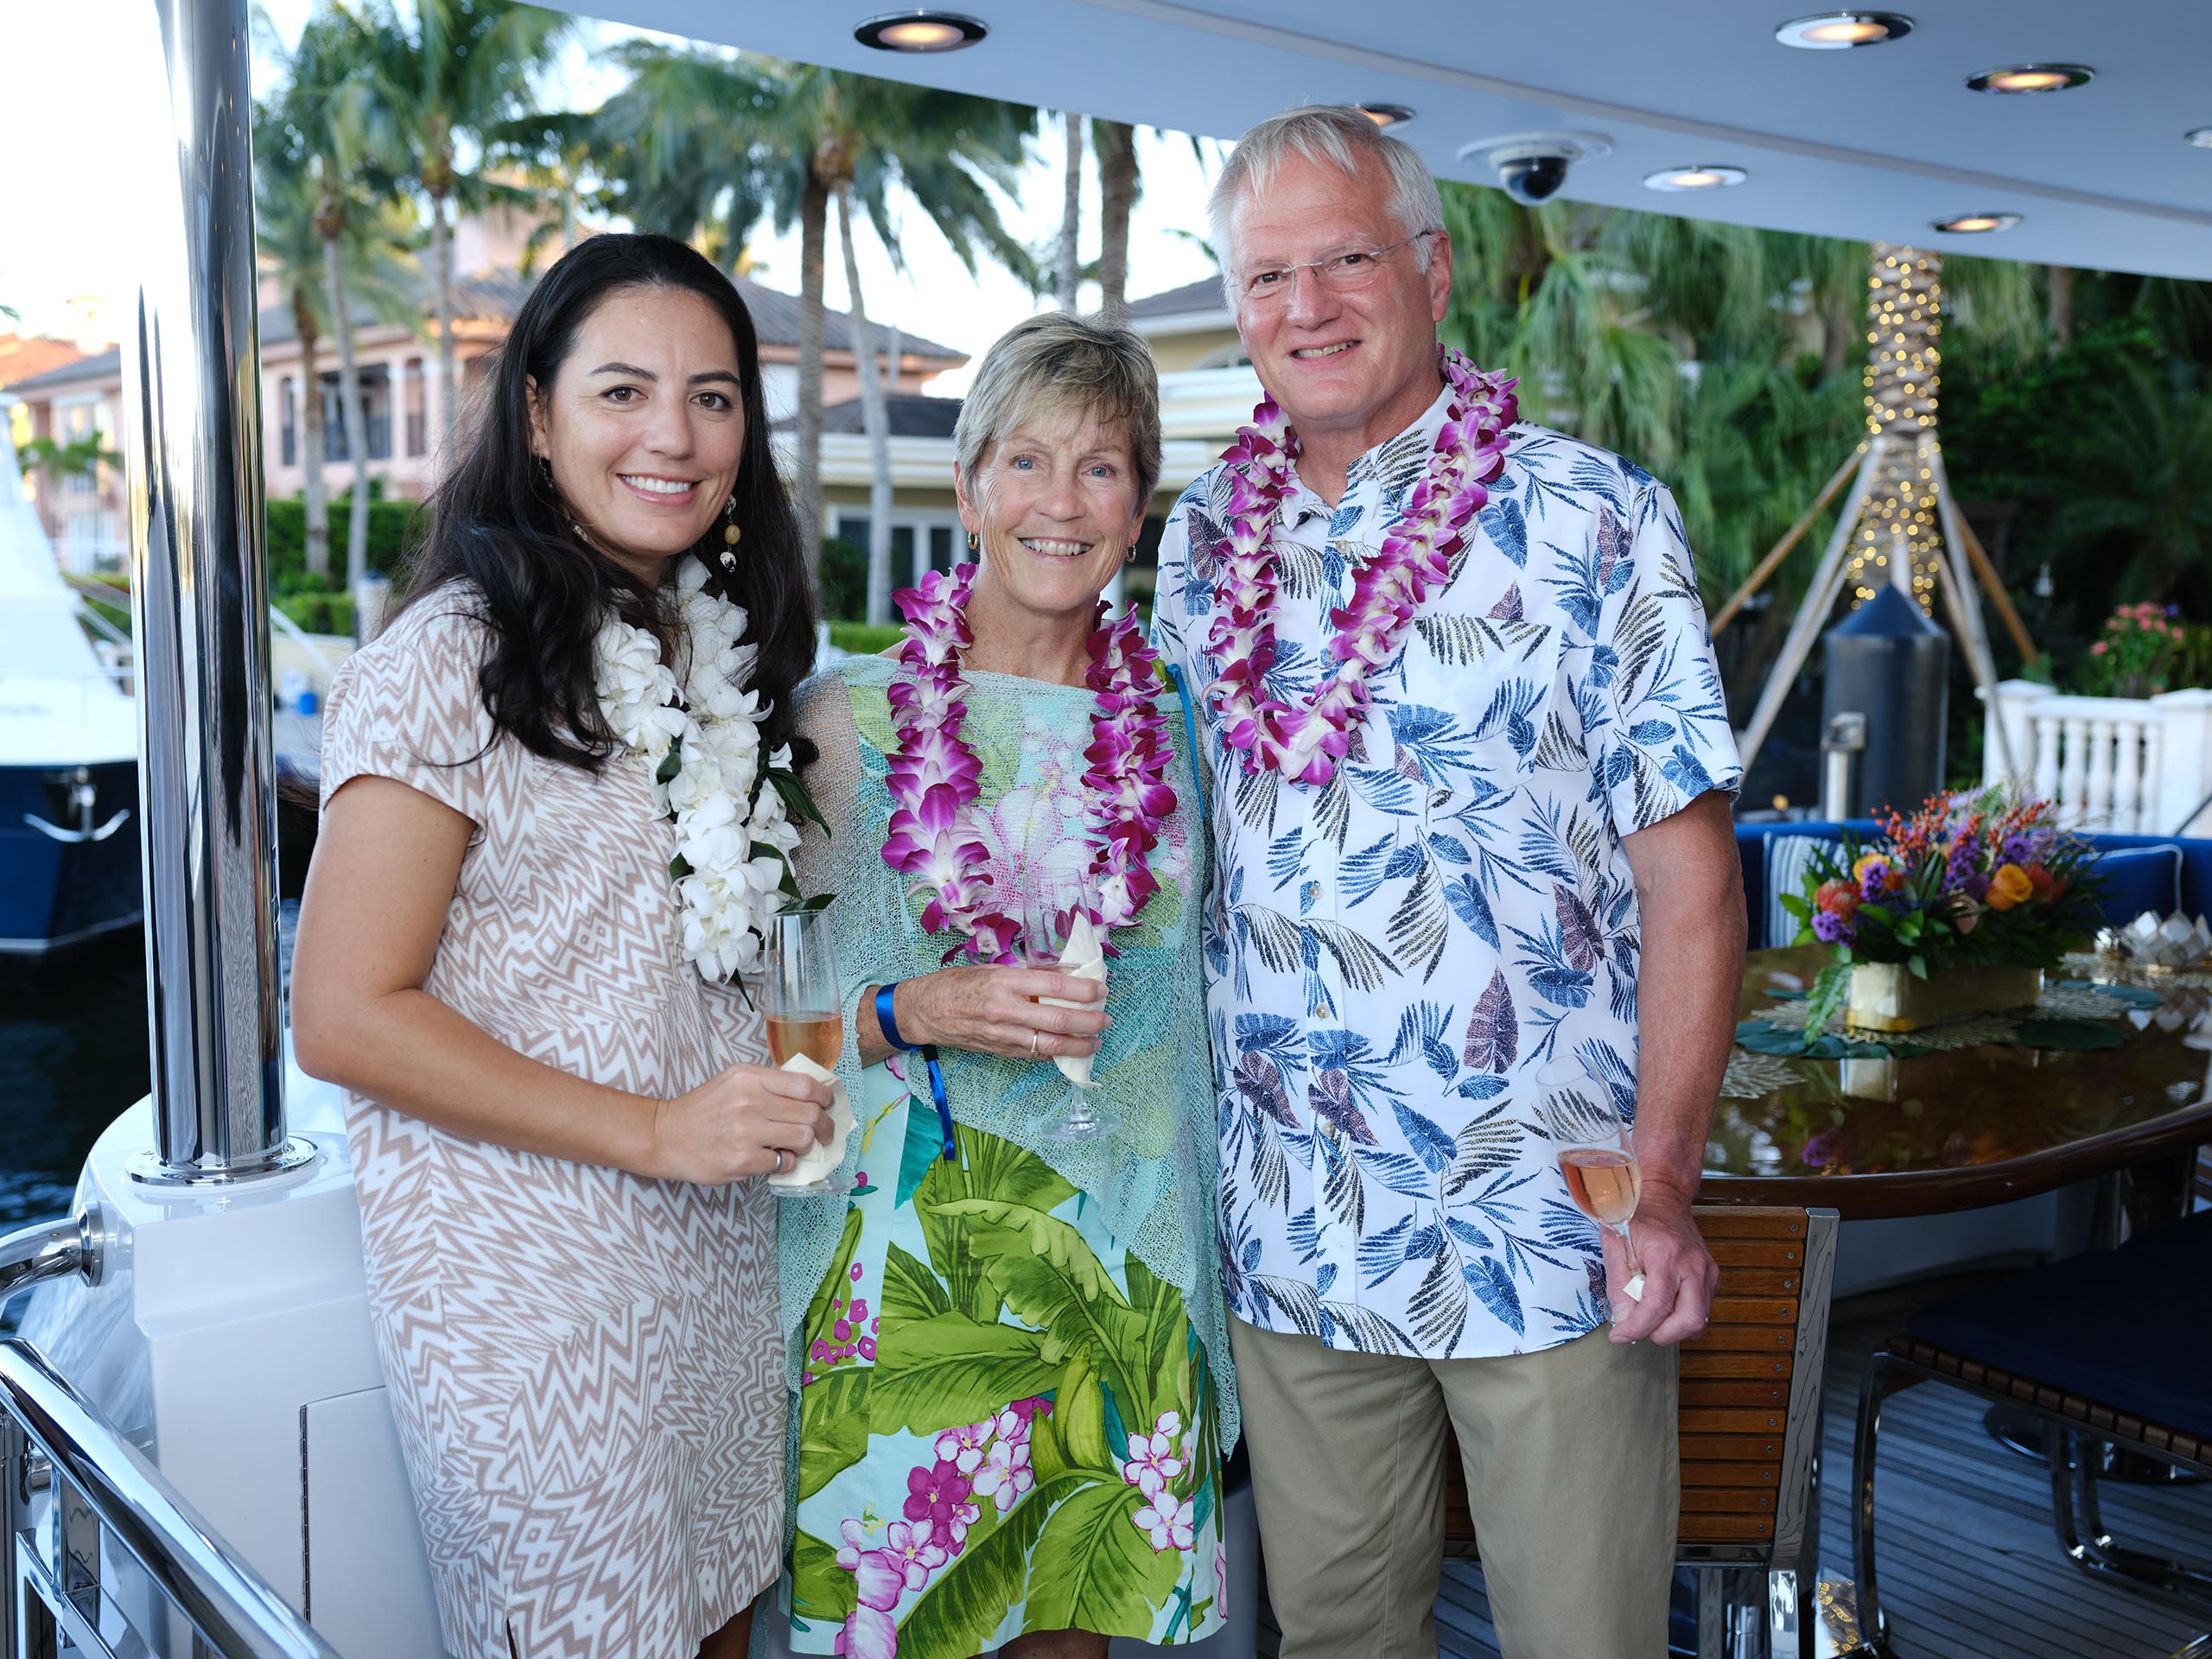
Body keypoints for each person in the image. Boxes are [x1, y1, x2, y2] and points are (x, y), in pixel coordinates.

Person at [1148, 107, 1748, 1658]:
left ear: (1430, 263)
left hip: (1552, 1228)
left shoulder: (1594, 519)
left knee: (1583, 1642)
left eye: (1347, 256)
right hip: (1292, 1224)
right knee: (1340, 1641)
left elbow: (1691, 887)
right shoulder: (1204, 540)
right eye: (1269, 275)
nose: (1310, 306)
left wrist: (1667, 1191)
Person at [291, 232, 833, 1659]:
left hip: (709, 1281)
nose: (675, 434)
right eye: (623, 390)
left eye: (714, 398)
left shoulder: (699, 650)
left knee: (723, 1627)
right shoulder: (448, 657)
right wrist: (655, 1130)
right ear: (535, 414)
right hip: (535, 1316)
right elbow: (344, 1014)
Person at [770, 313, 1235, 1659]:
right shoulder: (841, 725)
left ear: (1138, 508)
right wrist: (917, 1010)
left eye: (1101, 469)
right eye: (1025, 461)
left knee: (1070, 1637)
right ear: (969, 485)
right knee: (908, 1628)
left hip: (1129, 1254)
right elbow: (751, 1029)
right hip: (920, 1267)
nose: (1060, 502)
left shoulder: (1180, 721)